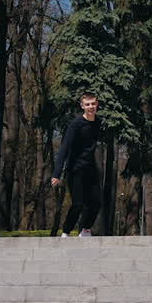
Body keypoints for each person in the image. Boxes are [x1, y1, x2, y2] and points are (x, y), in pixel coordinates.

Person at [51, 92, 102, 237]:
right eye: (87, 104)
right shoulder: (76, 125)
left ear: (97, 104)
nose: (91, 107)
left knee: (96, 202)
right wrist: (57, 173)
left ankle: (85, 230)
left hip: (90, 169)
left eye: (93, 104)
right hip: (75, 169)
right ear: (82, 106)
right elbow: (64, 148)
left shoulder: (98, 123)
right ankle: (66, 232)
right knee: (78, 204)